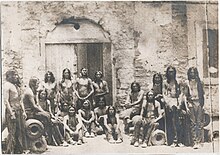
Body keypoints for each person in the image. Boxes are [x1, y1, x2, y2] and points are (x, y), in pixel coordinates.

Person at [3, 70, 28, 154]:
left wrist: (24, 111)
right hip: (12, 110)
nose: (16, 77)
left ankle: (19, 150)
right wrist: (11, 113)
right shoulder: (6, 85)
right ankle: (10, 151)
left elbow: (20, 101)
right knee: (12, 132)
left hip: (19, 110)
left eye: (16, 75)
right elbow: (6, 101)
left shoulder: (16, 86)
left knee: (20, 131)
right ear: (9, 76)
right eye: (14, 76)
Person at [23, 77, 51, 143]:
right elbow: (34, 106)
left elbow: (37, 105)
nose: (38, 85)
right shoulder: (29, 92)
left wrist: (44, 112)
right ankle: (45, 134)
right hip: (29, 112)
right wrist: (43, 113)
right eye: (37, 83)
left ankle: (48, 136)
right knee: (45, 117)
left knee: (47, 115)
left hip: (34, 111)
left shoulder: (35, 92)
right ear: (33, 84)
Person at [163, 66, 183, 147]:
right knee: (172, 122)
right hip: (169, 102)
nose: (171, 73)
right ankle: (174, 140)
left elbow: (181, 93)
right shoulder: (165, 82)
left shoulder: (178, 82)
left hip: (177, 101)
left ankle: (180, 140)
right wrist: (168, 103)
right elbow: (164, 94)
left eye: (172, 72)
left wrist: (179, 103)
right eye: (169, 72)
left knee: (179, 122)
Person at [186, 67, 205, 149]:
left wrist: (204, 105)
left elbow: (203, 94)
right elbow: (185, 96)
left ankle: (200, 141)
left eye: (193, 72)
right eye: (190, 73)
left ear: (196, 73)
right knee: (193, 123)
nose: (192, 74)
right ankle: (194, 142)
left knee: (199, 123)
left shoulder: (200, 83)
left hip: (199, 103)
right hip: (191, 103)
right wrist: (187, 106)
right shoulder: (187, 83)